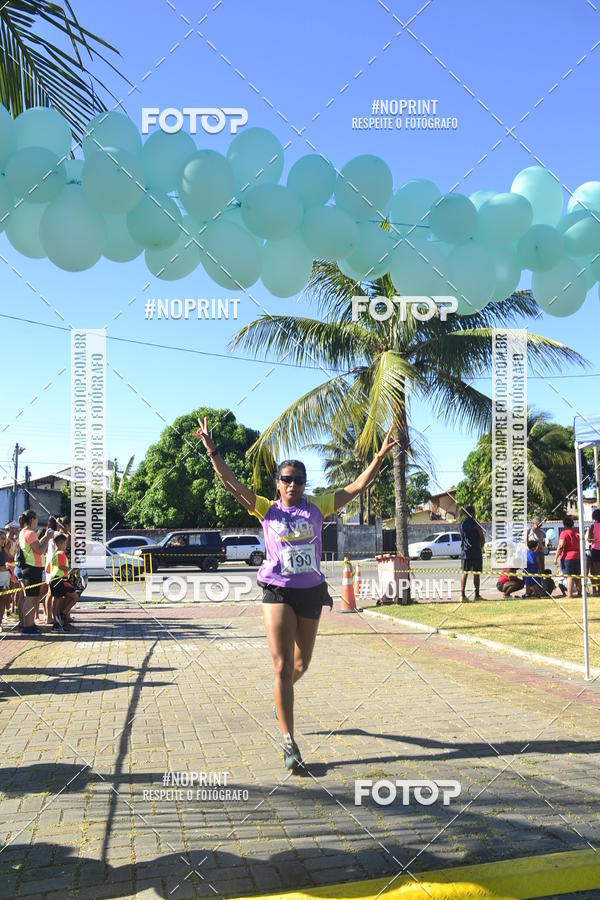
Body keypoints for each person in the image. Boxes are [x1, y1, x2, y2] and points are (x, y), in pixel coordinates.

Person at [194, 415, 398, 772]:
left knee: (301, 665)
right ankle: (289, 741)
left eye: (298, 480)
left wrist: (379, 456)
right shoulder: (266, 508)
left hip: (311, 592)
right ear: (278, 484)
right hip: (277, 590)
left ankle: (280, 697)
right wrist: (212, 450)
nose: (292, 485)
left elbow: (356, 487)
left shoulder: (317, 505)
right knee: (282, 666)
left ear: (305, 484)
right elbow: (231, 484)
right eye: (286, 480)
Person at [17, 509, 55, 634]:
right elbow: (39, 550)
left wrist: (45, 536)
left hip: (31, 568)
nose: (38, 521)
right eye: (37, 518)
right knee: (30, 598)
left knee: (33, 598)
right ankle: (27, 626)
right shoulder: (30, 533)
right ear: (32, 519)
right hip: (32, 568)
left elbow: (36, 545)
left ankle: (28, 623)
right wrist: (49, 538)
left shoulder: (24, 532)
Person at [46, 533, 78, 631]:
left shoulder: (54, 554)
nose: (66, 545)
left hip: (55, 579)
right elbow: (61, 566)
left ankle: (59, 620)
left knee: (58, 599)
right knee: (73, 597)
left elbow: (48, 569)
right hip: (59, 579)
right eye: (65, 543)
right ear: (60, 543)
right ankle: (60, 618)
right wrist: (71, 569)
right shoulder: (60, 553)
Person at [459, 506, 486, 601]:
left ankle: (462, 595)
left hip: (465, 552)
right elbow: (482, 537)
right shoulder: (476, 523)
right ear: (472, 513)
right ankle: (477, 595)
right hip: (475, 551)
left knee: (464, 573)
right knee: (476, 573)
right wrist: (481, 546)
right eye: (474, 512)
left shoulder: (462, 524)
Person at [553, 516, 581, 599]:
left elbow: (561, 545)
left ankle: (569, 595)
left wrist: (555, 557)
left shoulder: (564, 533)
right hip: (577, 556)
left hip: (567, 557)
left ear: (564, 524)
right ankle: (580, 593)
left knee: (569, 576)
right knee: (577, 576)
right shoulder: (576, 533)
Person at [587, 509, 600, 597]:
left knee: (597, 571)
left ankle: (598, 590)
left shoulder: (592, 526)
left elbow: (589, 539)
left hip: (596, 550)